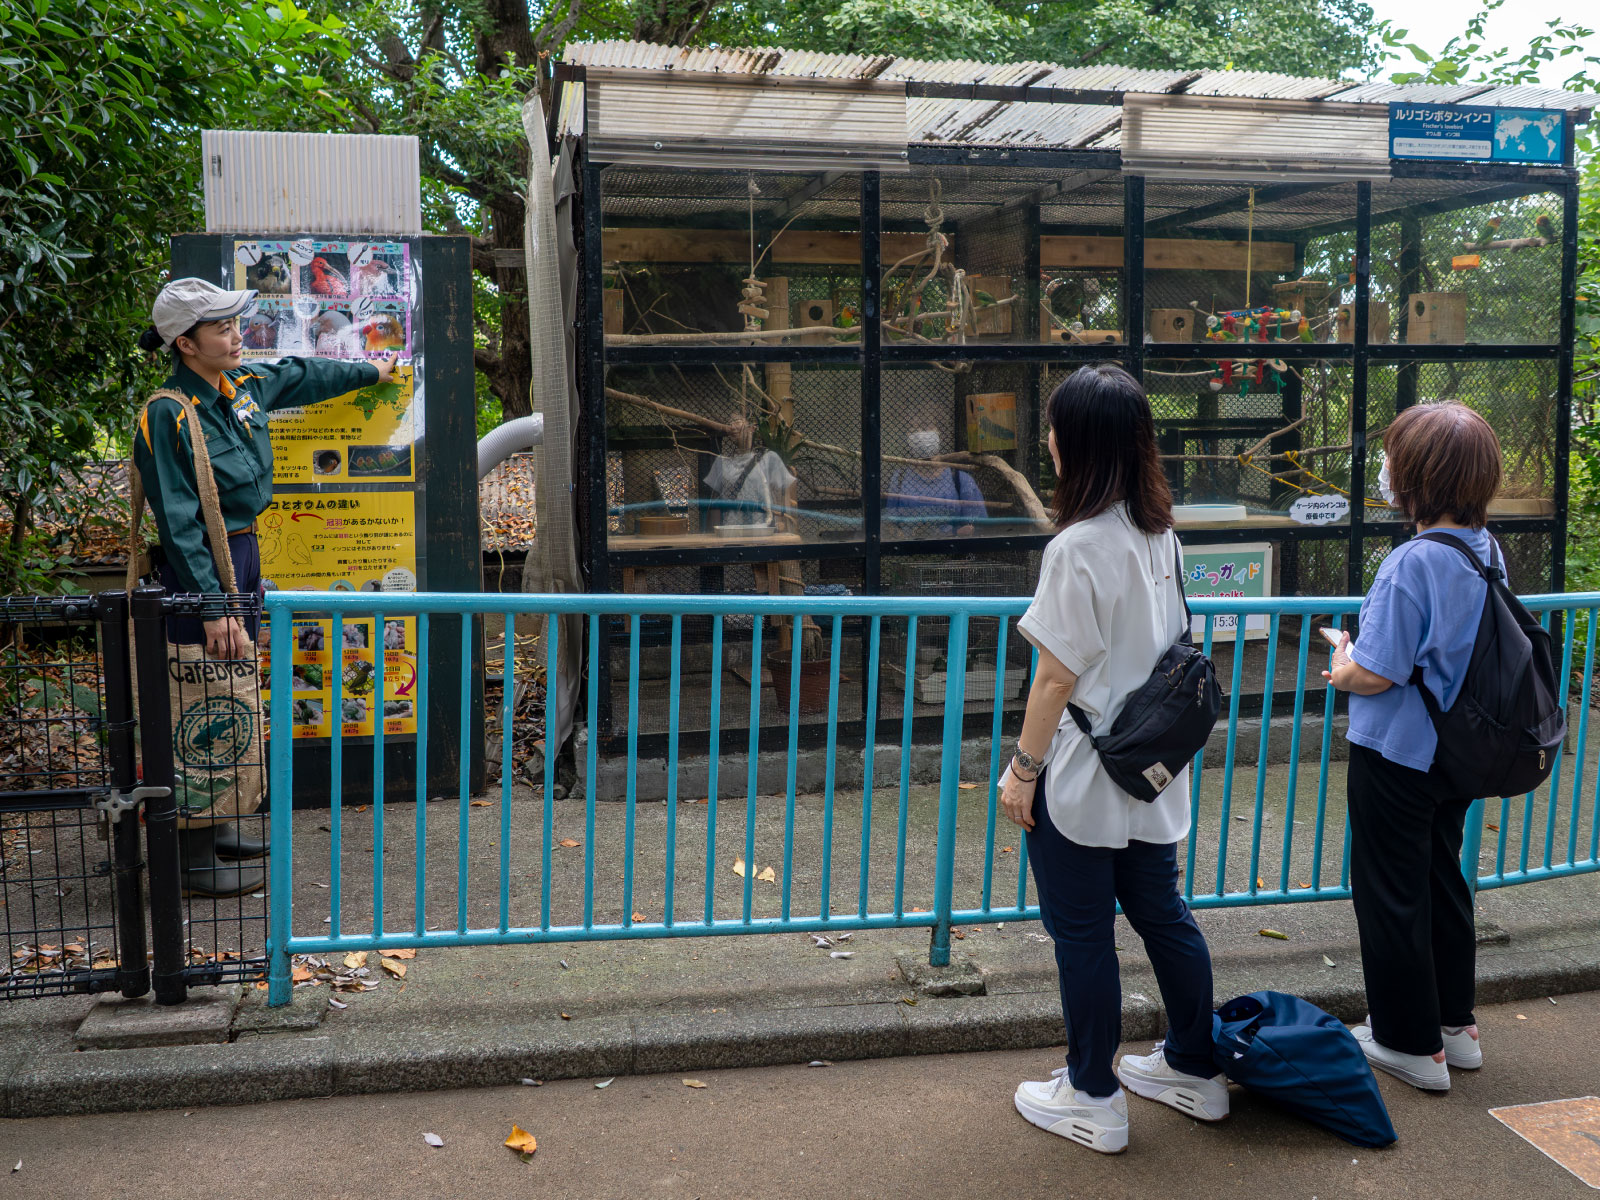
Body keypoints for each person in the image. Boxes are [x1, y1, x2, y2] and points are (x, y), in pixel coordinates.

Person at [1000, 362, 1225, 1154]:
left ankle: (1092, 1094)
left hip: (1084, 778)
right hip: (1153, 771)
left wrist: (1022, 771)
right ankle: (1194, 1067)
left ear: (1080, 444)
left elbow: (1056, 676)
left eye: (1055, 428)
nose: (1048, 441)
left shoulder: (1077, 546)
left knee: (1084, 934)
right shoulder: (1161, 535)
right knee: (1164, 915)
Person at [134, 277, 399, 895]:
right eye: (221, 328)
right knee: (199, 696)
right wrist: (213, 605)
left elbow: (303, 375)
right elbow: (179, 521)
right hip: (201, 565)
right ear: (185, 343)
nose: (236, 336)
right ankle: (189, 855)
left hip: (243, 553)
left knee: (231, 688)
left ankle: (219, 821)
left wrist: (372, 370)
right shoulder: (167, 413)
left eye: (234, 324)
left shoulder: (242, 386)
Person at [1323, 402, 1502, 1092]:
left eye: (1393, 457)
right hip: (1455, 751)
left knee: (1390, 892)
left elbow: (1377, 672)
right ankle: (1455, 1027)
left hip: (1397, 750)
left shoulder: (1411, 562)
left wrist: (1341, 664)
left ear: (1418, 476)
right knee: (1439, 880)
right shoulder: (1484, 550)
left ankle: (1408, 1043)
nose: (1385, 467)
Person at [884, 428, 987, 535]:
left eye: (926, 426)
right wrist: (899, 535)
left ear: (939, 433)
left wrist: (958, 532)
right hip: (909, 543)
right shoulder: (899, 477)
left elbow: (979, 524)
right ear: (907, 436)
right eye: (915, 428)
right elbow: (890, 520)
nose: (921, 433)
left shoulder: (960, 479)